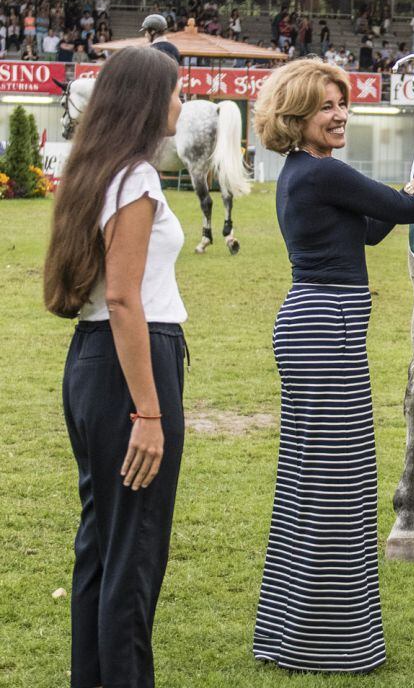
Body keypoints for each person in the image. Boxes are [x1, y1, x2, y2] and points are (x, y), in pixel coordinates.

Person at [250, 59, 414, 674]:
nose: (340, 115)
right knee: (336, 486)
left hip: (318, 326)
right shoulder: (319, 173)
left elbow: (378, 223)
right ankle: (326, 643)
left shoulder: (310, 173)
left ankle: (294, 633)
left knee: (319, 483)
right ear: (296, 117)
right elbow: (408, 212)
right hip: (323, 330)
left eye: (342, 103)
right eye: (326, 107)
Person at [42, 46, 186, 688]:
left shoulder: (97, 171)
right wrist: (150, 411)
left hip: (94, 362)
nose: (183, 103)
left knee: (102, 547)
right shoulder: (137, 179)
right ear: (150, 103)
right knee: (134, 553)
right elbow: (126, 295)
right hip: (132, 363)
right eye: (177, 92)